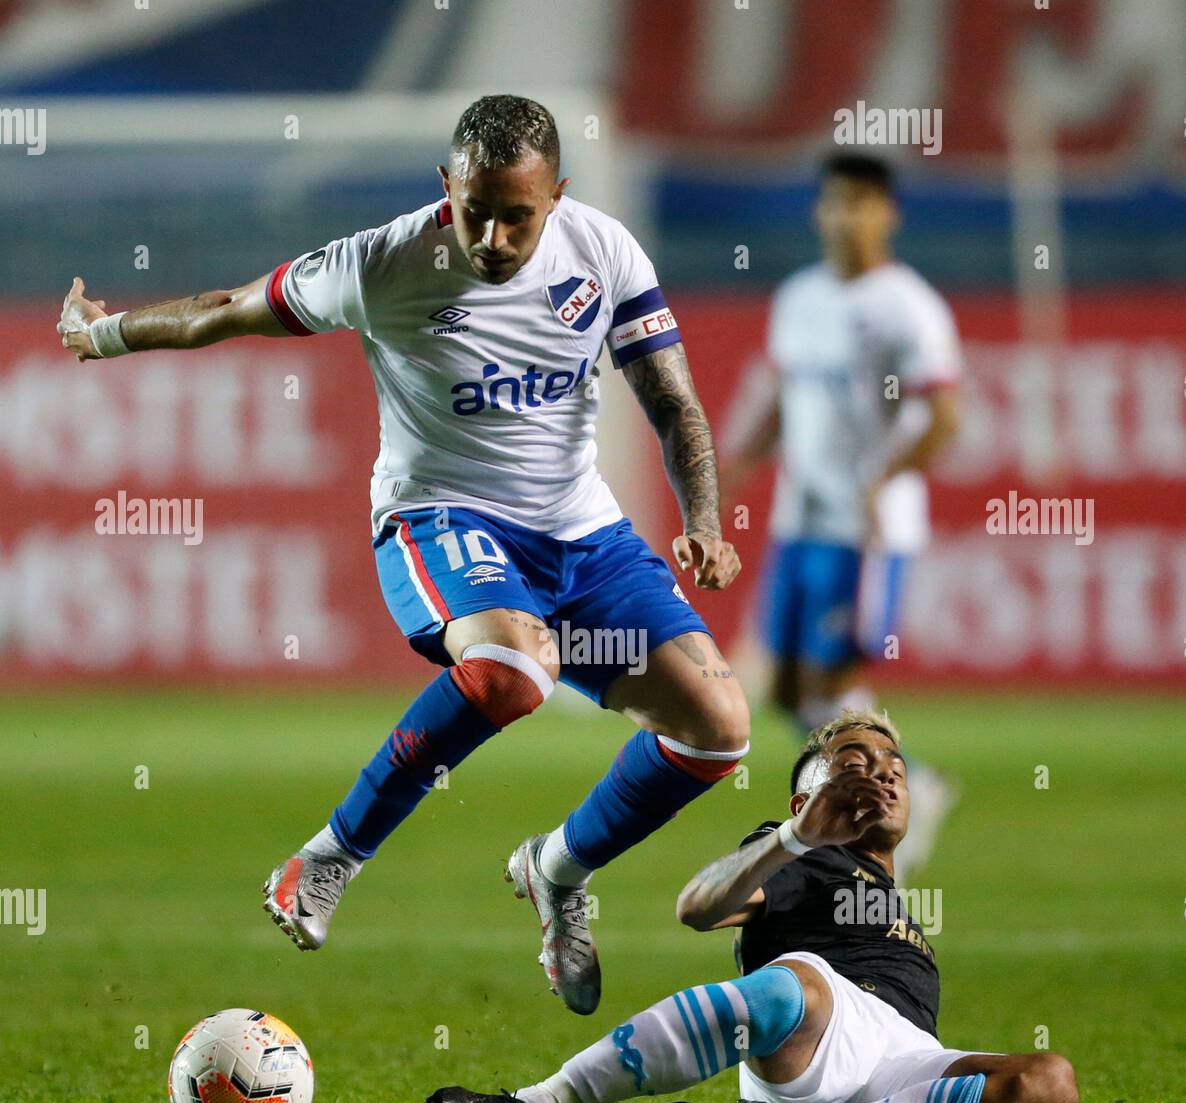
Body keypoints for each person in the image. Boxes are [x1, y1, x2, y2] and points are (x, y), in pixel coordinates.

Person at [57, 95, 747, 1018]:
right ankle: (329, 857)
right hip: (441, 520)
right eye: (476, 211)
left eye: (519, 215)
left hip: (586, 535)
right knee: (511, 672)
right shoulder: (382, 262)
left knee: (718, 727)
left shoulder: (606, 252)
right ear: (445, 188)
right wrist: (101, 335)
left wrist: (702, 515)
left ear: (559, 196)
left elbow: (673, 402)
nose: (495, 237)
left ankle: (556, 869)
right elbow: (226, 310)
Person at [427, 711, 1078, 1103]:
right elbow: (697, 908)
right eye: (855, 762)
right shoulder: (803, 852)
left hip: (902, 1062)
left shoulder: (885, 888)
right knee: (798, 983)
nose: (883, 770)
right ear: (804, 802)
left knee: (1050, 1084)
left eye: (892, 763)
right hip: (812, 1034)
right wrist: (795, 839)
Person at [723, 154, 962, 882]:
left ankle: (896, 793)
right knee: (786, 692)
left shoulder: (908, 305)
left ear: (887, 214)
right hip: (800, 517)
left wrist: (882, 482)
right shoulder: (798, 296)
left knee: (830, 685)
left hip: (865, 527)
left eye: (860, 203)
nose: (844, 216)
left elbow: (945, 417)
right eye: (833, 201)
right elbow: (783, 396)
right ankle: (911, 778)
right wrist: (734, 463)